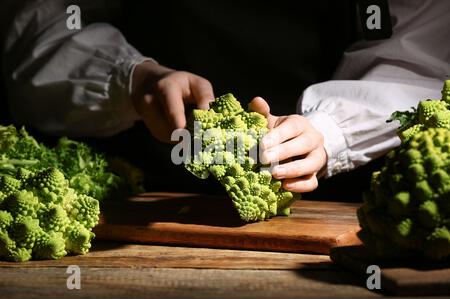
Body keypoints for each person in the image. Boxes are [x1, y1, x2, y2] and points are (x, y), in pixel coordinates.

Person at [1, 0, 448, 198]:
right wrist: (133, 79)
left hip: (339, 201)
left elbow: (428, 45)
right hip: (147, 186)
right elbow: (46, 19)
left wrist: (334, 129)